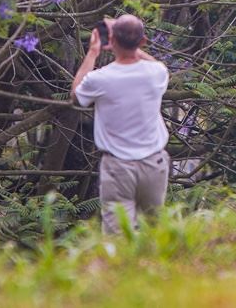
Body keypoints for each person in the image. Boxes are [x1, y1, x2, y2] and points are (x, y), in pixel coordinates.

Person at [70, 13, 170, 233]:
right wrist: (132, 41)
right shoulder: (156, 73)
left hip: (117, 167)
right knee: (154, 230)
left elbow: (76, 95)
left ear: (112, 40)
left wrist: (93, 52)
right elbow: (155, 64)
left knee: (117, 234)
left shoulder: (100, 79)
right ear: (143, 41)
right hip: (154, 164)